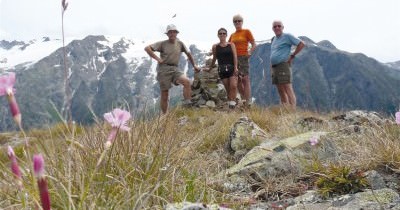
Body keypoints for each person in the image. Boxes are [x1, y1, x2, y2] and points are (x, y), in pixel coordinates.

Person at [144, 24, 200, 114]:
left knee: (187, 82)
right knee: (165, 94)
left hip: (175, 68)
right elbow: (147, 48)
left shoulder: (180, 43)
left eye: (174, 32)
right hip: (164, 69)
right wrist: (158, 59)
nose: (172, 34)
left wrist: (194, 65)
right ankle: (165, 115)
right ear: (167, 34)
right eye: (170, 32)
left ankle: (188, 104)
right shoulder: (162, 43)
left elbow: (188, 54)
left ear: (177, 33)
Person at [270, 20, 305, 109]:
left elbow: (301, 44)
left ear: (283, 27)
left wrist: (292, 55)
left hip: (283, 65)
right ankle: (285, 108)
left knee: (287, 87)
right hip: (275, 66)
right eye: (275, 26)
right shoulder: (274, 39)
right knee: (280, 89)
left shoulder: (287, 36)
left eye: (279, 26)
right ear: (272, 29)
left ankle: (292, 110)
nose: (277, 28)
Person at [229, 14, 256, 107]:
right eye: (235, 21)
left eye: (239, 21)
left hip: (243, 57)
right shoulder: (232, 35)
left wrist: (250, 52)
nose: (237, 22)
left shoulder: (246, 31)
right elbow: (228, 45)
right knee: (238, 80)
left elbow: (253, 44)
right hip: (234, 58)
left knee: (245, 79)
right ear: (233, 23)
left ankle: (248, 102)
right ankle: (243, 99)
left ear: (242, 22)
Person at [208, 28, 238, 109]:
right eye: (220, 33)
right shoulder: (215, 46)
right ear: (218, 35)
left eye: (224, 33)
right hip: (222, 69)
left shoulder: (231, 44)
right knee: (228, 89)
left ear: (226, 35)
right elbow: (214, 58)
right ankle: (231, 105)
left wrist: (235, 67)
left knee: (233, 86)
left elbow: (235, 56)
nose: (222, 35)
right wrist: (209, 68)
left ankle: (233, 103)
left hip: (231, 67)